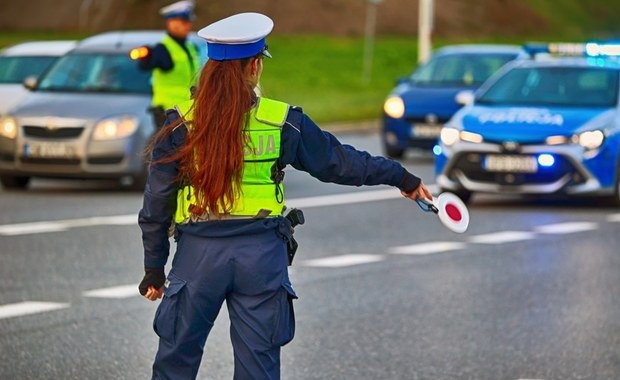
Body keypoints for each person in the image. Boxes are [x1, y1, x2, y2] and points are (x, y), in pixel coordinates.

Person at [137, 12, 433, 380]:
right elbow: (340, 163)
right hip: (261, 258)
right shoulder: (282, 121)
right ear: (255, 67)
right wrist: (401, 177)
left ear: (210, 69)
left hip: (199, 255)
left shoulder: (182, 123)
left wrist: (154, 268)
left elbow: (156, 203)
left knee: (175, 365)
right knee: (258, 368)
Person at [135, 0, 201, 127]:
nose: (188, 26)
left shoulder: (190, 47)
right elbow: (144, 66)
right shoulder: (162, 49)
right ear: (171, 22)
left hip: (187, 110)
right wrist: (147, 55)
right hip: (167, 113)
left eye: (189, 22)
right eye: (183, 22)